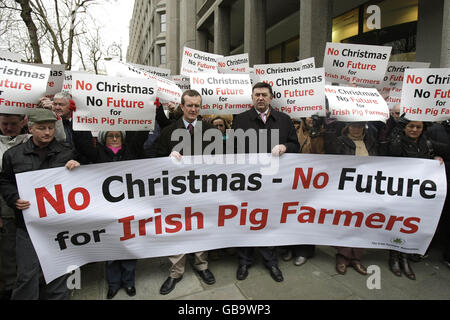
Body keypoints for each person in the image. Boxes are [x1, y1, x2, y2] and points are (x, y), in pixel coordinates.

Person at [0, 108, 79, 300]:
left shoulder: (67, 152)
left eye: (51, 128)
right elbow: (5, 181)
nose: (47, 132)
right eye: (42, 128)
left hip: (58, 225)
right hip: (27, 226)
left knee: (59, 273)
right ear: (30, 128)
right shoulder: (13, 155)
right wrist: (14, 198)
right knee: (27, 274)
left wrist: (77, 167)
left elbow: (80, 185)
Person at [231, 82, 300, 282]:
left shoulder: (284, 120)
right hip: (248, 182)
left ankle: (271, 262)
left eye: (264, 94)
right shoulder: (241, 120)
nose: (260, 98)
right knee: (246, 220)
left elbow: (296, 145)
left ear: (271, 98)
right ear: (252, 98)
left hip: (274, 182)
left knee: (268, 221)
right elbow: (232, 151)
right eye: (257, 94)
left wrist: (286, 147)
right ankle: (244, 261)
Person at [72, 126, 148, 299]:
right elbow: (82, 144)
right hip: (107, 211)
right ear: (103, 139)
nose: (114, 139)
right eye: (110, 136)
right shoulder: (97, 154)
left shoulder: (132, 151)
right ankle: (113, 284)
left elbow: (141, 134)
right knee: (111, 250)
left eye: (117, 136)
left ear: (123, 138)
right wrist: (79, 118)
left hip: (129, 209)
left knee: (128, 247)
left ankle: (129, 283)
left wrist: (150, 110)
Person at [155, 89, 218, 295]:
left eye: (197, 105)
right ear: (182, 107)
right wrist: (167, 158)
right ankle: (175, 272)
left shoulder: (211, 131)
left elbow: (221, 161)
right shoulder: (168, 132)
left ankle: (202, 265)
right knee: (177, 229)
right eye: (189, 105)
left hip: (203, 189)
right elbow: (155, 160)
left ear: (201, 107)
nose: (193, 109)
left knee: (202, 226)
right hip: (176, 192)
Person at [386, 116, 448, 279]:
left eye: (418, 127)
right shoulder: (397, 141)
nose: (414, 130)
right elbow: (393, 151)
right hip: (399, 192)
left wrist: (434, 158)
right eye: (411, 126)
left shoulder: (427, 144)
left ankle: (405, 256)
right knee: (397, 223)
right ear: (404, 127)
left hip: (418, 195)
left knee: (410, 224)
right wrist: (398, 130)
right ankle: (393, 256)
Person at [326, 121, 379, 276]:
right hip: (347, 188)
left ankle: (356, 257)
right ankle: (343, 256)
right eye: (354, 126)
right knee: (346, 221)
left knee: (362, 222)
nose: (357, 129)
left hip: (367, 188)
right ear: (348, 127)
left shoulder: (372, 142)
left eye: (360, 126)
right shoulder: (338, 142)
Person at [282, 116, 325, 266]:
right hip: (292, 180)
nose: (311, 118)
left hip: (313, 182)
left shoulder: (323, 133)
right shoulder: (294, 130)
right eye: (308, 115)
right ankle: (289, 247)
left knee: (307, 216)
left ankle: (304, 250)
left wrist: (316, 134)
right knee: (289, 215)